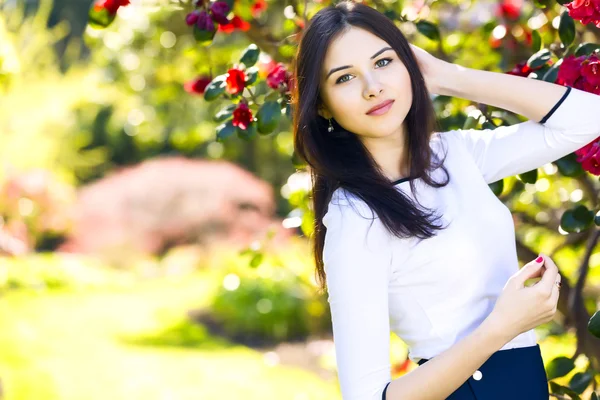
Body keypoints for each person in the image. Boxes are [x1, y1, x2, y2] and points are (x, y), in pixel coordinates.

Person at [290, 1, 600, 399]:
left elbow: (587, 120)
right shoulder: (356, 219)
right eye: (345, 77)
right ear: (321, 104)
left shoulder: (455, 156)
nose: (373, 87)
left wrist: (450, 76)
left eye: (384, 63)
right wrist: (500, 328)